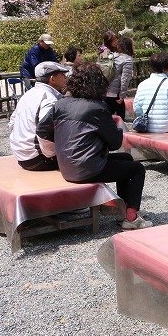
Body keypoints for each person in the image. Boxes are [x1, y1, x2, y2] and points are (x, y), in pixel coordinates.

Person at [35, 62, 152, 229]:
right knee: (137, 169)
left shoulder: (60, 104)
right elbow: (114, 143)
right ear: (98, 84)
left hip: (66, 166)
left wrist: (63, 141)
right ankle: (131, 218)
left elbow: (42, 130)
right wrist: (115, 130)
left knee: (126, 158)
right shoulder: (97, 107)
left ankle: (124, 211)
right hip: (87, 169)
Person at [9, 62, 70, 171]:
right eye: (63, 75)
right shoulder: (49, 99)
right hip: (38, 159)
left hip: (21, 156)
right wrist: (52, 155)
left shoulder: (28, 94)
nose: (66, 78)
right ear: (52, 79)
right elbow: (45, 132)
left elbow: (12, 122)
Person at [133, 52, 168, 133]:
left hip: (147, 127)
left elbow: (137, 108)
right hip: (167, 127)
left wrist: (143, 120)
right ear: (165, 68)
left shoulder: (142, 84)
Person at [105, 36, 134, 120]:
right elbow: (125, 79)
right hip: (115, 95)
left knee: (107, 119)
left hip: (105, 92)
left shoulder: (111, 56)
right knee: (120, 120)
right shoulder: (127, 60)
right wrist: (122, 96)